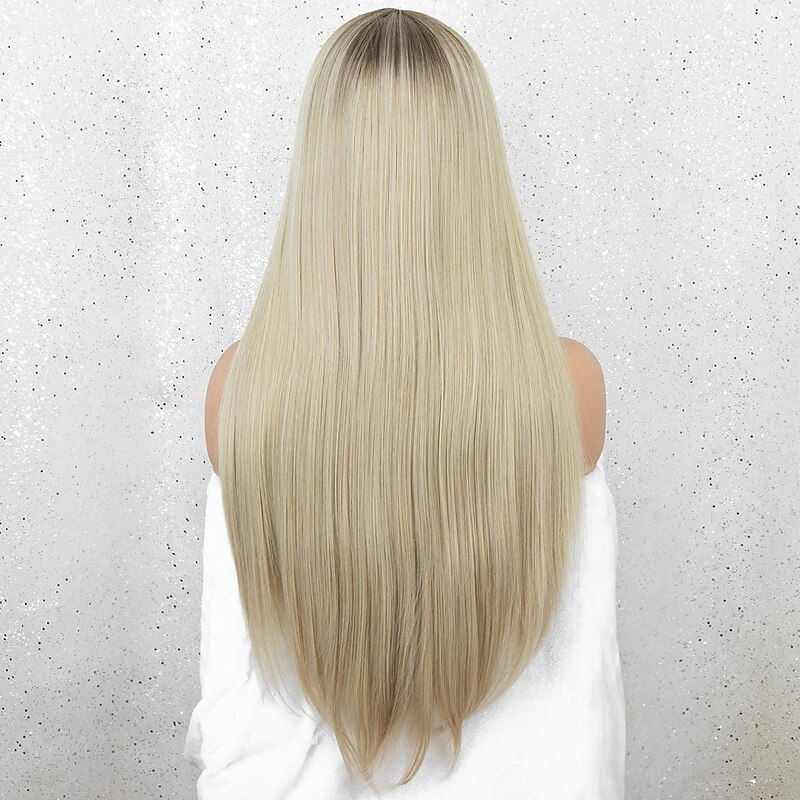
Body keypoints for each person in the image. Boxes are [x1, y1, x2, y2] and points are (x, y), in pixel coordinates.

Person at [184, 8, 625, 798]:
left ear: (323, 164)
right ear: (473, 164)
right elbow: (582, 697)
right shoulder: (569, 388)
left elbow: (240, 701)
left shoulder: (241, 391)